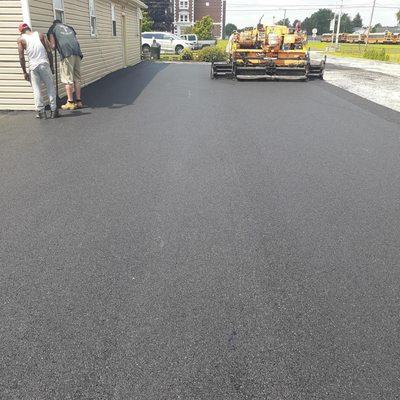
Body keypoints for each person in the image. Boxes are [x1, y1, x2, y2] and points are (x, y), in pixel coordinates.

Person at [17, 23, 58, 119]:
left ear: (21, 31)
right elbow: (49, 51)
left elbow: (21, 57)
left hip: (33, 67)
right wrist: (51, 66)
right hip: (44, 64)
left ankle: (41, 112)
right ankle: (54, 111)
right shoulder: (40, 35)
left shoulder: (21, 40)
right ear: (29, 28)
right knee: (50, 88)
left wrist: (24, 72)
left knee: (37, 90)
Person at [48, 20, 83, 110]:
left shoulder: (53, 28)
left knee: (68, 78)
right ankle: (79, 102)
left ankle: (70, 102)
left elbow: (52, 45)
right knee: (77, 78)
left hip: (67, 53)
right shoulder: (69, 28)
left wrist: (50, 46)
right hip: (77, 52)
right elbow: (75, 41)